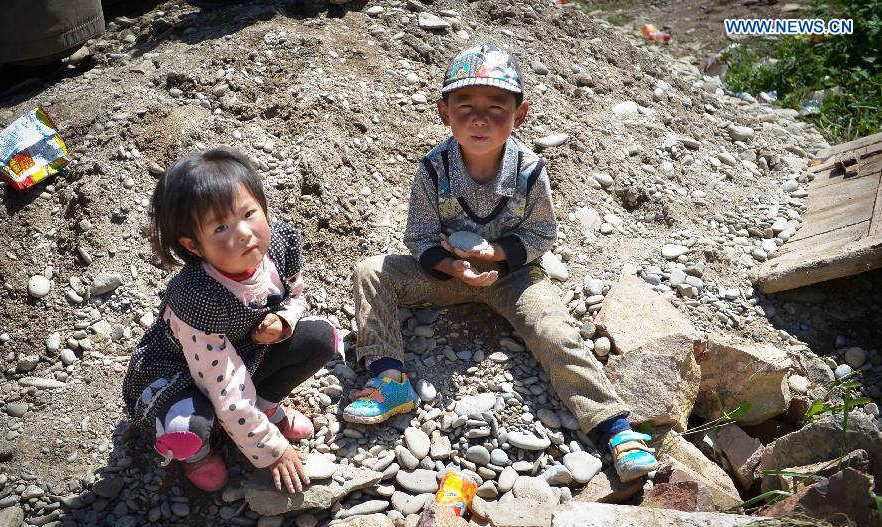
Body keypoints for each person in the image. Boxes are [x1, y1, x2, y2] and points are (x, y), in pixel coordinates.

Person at [343, 45, 658, 483]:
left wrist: (497, 254)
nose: (479, 119)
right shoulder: (434, 169)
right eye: (465, 107)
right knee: (371, 271)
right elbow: (417, 237)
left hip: (514, 277)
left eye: (496, 108)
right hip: (450, 275)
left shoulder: (529, 170)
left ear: (519, 115)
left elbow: (542, 234)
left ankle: (613, 427)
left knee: (554, 330)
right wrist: (452, 267)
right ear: (444, 112)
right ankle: (389, 377)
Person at [123, 146, 341, 493]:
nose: (243, 233)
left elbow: (298, 296)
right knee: (188, 424)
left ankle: (265, 406)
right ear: (194, 246)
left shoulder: (279, 245)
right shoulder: (198, 297)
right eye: (221, 227)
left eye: (250, 213)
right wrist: (272, 450)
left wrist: (284, 319)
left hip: (244, 351)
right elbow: (222, 384)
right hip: (181, 374)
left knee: (320, 338)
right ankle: (197, 453)